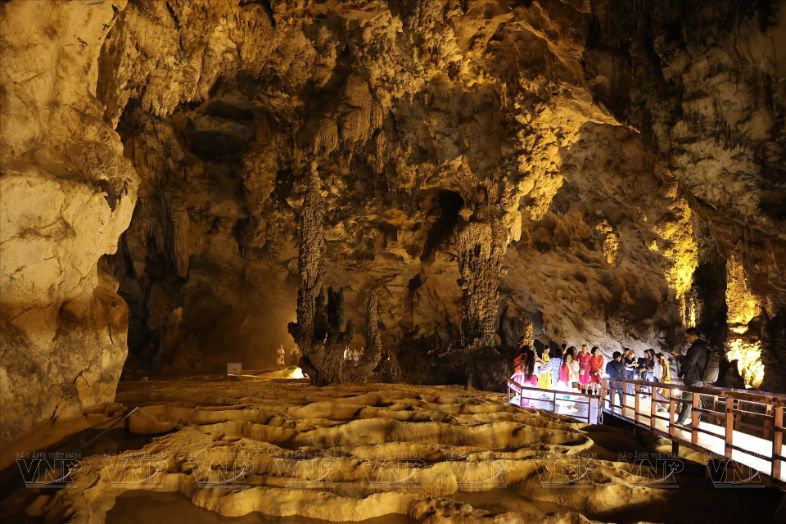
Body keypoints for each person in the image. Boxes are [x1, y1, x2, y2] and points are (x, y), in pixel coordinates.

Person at [676, 328, 709, 426]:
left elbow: (690, 362)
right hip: (698, 377)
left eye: (688, 337)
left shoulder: (697, 346)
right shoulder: (702, 346)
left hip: (694, 377)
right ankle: (695, 422)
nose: (687, 339)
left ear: (694, 336)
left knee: (687, 399)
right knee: (696, 400)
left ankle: (680, 422)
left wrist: (679, 357)